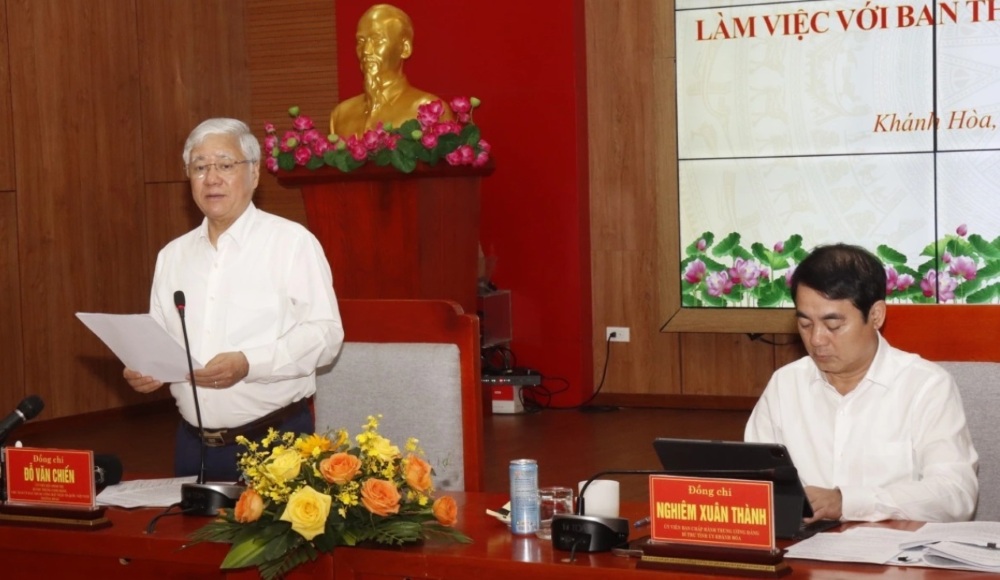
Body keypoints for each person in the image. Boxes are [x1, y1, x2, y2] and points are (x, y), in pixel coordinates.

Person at [123, 118, 344, 482]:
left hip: (274, 443)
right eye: (199, 167)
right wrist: (144, 368)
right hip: (191, 445)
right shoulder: (172, 256)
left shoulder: (291, 243)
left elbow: (326, 335)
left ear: (254, 173)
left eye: (225, 165)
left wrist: (249, 363)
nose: (211, 178)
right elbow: (159, 337)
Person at [745, 243, 978, 523]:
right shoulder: (785, 385)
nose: (816, 339)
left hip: (895, 548)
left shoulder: (925, 386)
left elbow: (955, 494)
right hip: (804, 546)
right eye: (805, 324)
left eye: (833, 325)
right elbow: (752, 481)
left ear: (876, 315)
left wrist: (848, 502)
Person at [329, 3, 451, 137]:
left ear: (405, 48)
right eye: (361, 41)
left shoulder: (431, 111)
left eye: (377, 40)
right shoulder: (340, 115)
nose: (366, 51)